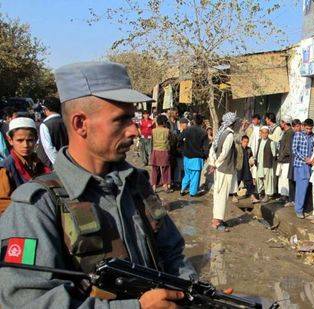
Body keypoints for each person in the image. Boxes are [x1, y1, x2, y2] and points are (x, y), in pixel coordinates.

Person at [0, 61, 195, 308]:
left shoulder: (137, 184)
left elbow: (173, 254)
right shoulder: (35, 206)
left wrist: (190, 295)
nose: (134, 130)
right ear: (81, 124)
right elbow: (26, 302)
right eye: (122, 120)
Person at [0, 117, 51, 213]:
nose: (25, 145)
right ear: (10, 140)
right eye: (20, 140)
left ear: (36, 140)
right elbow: (2, 203)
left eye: (30, 140)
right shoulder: (5, 168)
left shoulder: (37, 162)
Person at [209, 112, 239, 232]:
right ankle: (217, 222)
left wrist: (213, 163)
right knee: (221, 195)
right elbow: (224, 153)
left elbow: (213, 149)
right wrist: (216, 164)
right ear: (232, 123)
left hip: (219, 167)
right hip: (224, 168)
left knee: (218, 194)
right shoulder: (229, 135)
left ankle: (217, 219)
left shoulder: (221, 132)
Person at [180, 114, 209, 197]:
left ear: (193, 121)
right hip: (197, 158)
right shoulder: (203, 132)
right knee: (195, 177)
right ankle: (192, 193)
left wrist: (183, 149)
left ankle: (182, 190)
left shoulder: (187, 130)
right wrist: (205, 156)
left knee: (187, 174)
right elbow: (206, 147)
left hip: (187, 157)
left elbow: (179, 139)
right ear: (202, 122)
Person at [292, 118, 314, 218]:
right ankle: (299, 210)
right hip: (301, 164)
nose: (308, 130)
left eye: (310, 129)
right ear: (303, 126)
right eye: (307, 128)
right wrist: (305, 158)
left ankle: (301, 207)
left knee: (306, 188)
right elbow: (294, 150)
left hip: (311, 165)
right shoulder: (298, 135)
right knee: (302, 187)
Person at [37, 97, 69, 168]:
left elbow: (48, 148)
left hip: (51, 164)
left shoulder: (45, 125)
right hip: (67, 159)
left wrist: (58, 165)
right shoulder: (66, 121)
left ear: (46, 109)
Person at [255, 126, 277, 203]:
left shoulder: (271, 142)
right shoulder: (259, 141)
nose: (264, 134)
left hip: (267, 164)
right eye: (263, 133)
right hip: (259, 164)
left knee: (267, 180)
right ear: (260, 133)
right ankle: (260, 194)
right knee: (259, 179)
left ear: (268, 133)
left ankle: (267, 195)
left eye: (266, 133)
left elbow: (274, 155)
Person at [151, 115, 173, 192]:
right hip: (164, 151)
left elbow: (151, 142)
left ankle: (153, 186)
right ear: (164, 122)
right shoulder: (167, 130)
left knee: (154, 169)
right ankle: (165, 186)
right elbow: (171, 141)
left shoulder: (153, 131)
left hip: (155, 151)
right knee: (166, 169)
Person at [277, 115, 294, 202]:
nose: (280, 124)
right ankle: (283, 195)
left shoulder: (290, 133)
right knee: (281, 178)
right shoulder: (285, 132)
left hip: (287, 160)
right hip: (283, 160)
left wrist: (281, 156)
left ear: (285, 123)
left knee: (285, 178)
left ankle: (286, 196)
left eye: (281, 122)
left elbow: (288, 149)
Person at [285, 119, 302, 207]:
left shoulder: (303, 136)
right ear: (292, 127)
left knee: (298, 182)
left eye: (298, 126)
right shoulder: (292, 135)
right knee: (291, 180)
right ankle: (291, 200)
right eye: (295, 126)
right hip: (292, 161)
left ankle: (297, 201)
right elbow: (288, 148)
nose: (297, 128)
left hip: (299, 162)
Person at [237, 135, 258, 203]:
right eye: (244, 141)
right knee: (236, 183)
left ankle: (252, 197)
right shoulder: (238, 148)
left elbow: (251, 157)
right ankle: (234, 196)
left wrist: (252, 161)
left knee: (250, 183)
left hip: (246, 169)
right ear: (241, 141)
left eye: (247, 142)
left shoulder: (249, 149)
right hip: (239, 169)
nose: (245, 143)